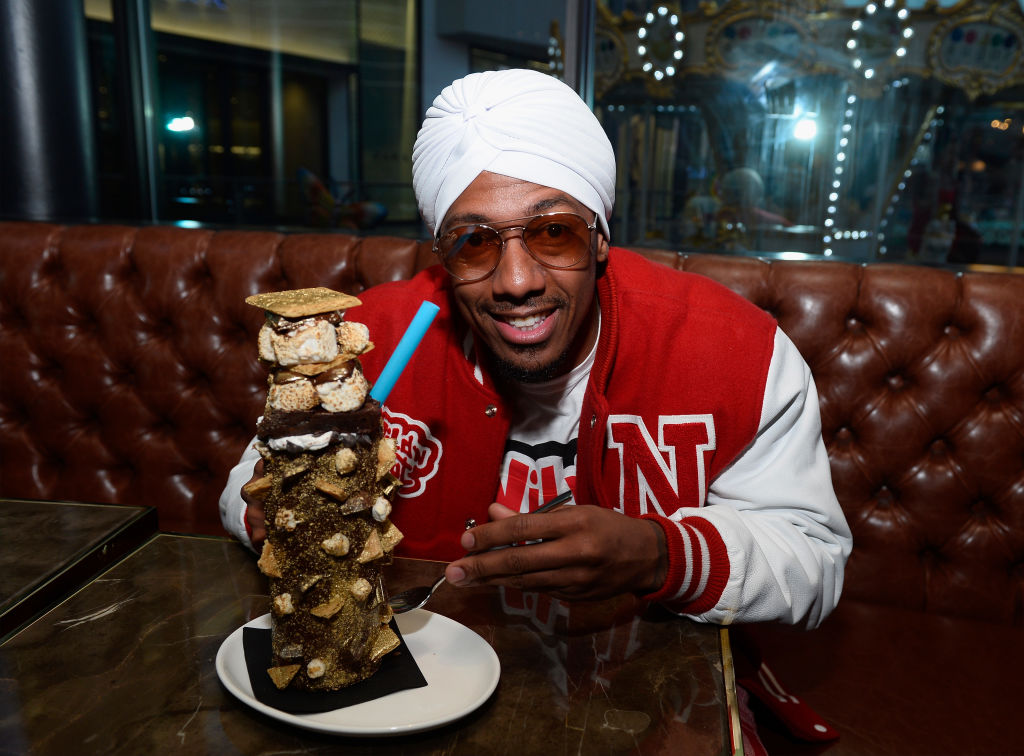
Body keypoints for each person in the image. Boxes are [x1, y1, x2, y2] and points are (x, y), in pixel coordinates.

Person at [220, 68, 851, 629]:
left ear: (601, 237)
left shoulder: (735, 350)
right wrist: (301, 514)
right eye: (473, 241)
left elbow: (815, 564)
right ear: (441, 255)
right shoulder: (370, 340)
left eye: (554, 233)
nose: (517, 281)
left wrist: (661, 555)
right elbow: (244, 487)